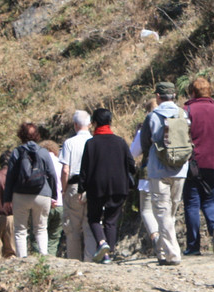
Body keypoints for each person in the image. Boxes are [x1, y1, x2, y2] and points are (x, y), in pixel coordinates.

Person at [136, 82, 190, 265]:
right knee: (171, 212)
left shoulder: (152, 116)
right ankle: (162, 251)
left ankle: (173, 254)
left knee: (162, 213)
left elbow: (144, 143)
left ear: (158, 96)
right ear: (174, 95)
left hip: (158, 169)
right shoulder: (184, 114)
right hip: (181, 168)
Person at [182, 77, 214, 255]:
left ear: (192, 92)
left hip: (193, 164)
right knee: (210, 201)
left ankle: (193, 246)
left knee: (191, 204)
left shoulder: (186, 110)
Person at [78, 107, 135, 263]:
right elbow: (132, 166)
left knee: (94, 218)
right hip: (119, 187)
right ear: (110, 122)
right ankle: (109, 253)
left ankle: (102, 244)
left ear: (94, 123)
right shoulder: (120, 142)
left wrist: (81, 189)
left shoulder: (91, 144)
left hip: (96, 188)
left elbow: (84, 170)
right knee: (111, 221)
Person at [5, 122, 58, 257]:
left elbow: (10, 176)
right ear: (37, 136)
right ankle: (43, 256)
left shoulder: (17, 152)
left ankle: (22, 258)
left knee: (20, 229)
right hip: (42, 193)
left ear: (21, 135)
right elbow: (52, 174)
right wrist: (53, 195)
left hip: (20, 194)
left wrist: (7, 198)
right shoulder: (43, 152)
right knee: (41, 228)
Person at [59, 110, 97, 262]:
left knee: (72, 228)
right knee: (90, 224)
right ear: (89, 124)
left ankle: (73, 262)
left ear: (75, 125)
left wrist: (63, 189)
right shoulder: (94, 141)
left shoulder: (69, 143)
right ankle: (90, 261)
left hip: (74, 186)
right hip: (93, 187)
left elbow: (65, 170)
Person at [130, 97, 161, 254]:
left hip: (149, 172)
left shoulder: (145, 127)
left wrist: (138, 134)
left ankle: (155, 237)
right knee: (164, 209)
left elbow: (133, 152)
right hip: (171, 172)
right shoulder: (172, 120)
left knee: (147, 210)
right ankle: (168, 241)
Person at [39, 139, 64, 256]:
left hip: (43, 203)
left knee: (38, 233)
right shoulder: (61, 162)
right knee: (54, 237)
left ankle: (40, 260)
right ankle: (51, 258)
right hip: (60, 204)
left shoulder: (39, 162)